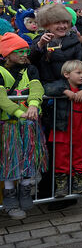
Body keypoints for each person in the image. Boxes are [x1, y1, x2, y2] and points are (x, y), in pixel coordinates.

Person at [0, 33, 48, 220]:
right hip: (9, 124)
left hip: (29, 125)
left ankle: (25, 191)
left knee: (28, 158)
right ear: (7, 54)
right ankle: (10, 199)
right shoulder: (1, 72)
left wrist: (34, 104)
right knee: (10, 161)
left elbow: (37, 87)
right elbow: (1, 98)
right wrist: (19, 112)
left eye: (25, 50)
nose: (23, 54)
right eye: (18, 51)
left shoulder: (31, 69)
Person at [44, 60, 82, 197]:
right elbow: (48, 88)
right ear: (66, 74)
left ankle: (78, 183)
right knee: (61, 157)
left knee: (81, 156)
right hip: (63, 131)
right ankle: (62, 186)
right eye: (78, 73)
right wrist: (65, 91)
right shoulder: (60, 85)